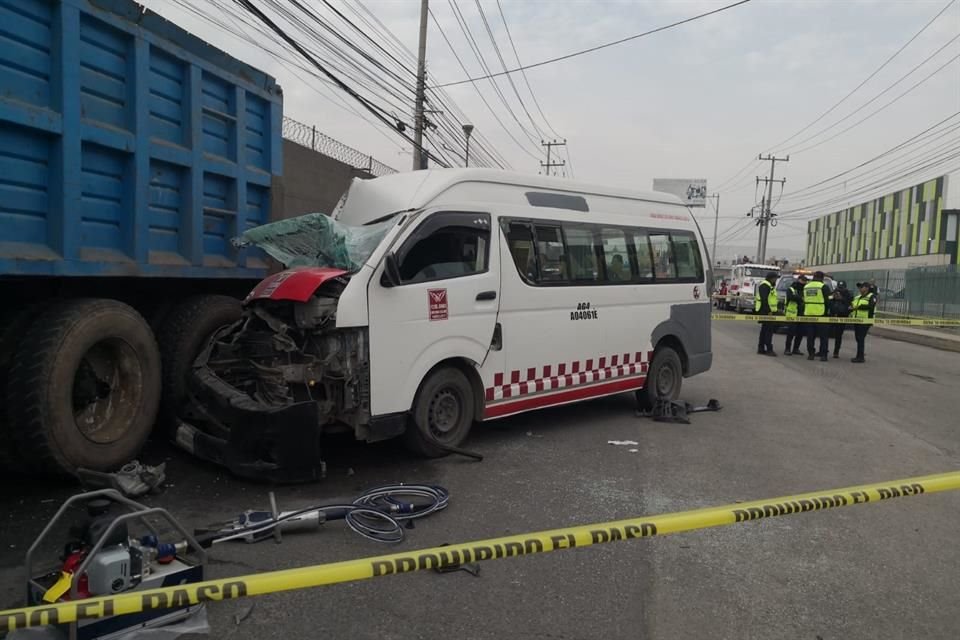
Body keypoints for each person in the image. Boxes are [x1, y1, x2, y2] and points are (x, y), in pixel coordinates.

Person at [803, 271, 832, 361]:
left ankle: (811, 354)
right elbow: (828, 301)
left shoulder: (806, 287)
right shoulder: (823, 287)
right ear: (822, 278)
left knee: (810, 336)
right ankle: (823, 355)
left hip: (809, 313)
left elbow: (804, 299)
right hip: (821, 314)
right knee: (823, 336)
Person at [850, 282, 877, 363]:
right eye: (859, 287)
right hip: (856, 320)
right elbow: (852, 305)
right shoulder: (858, 297)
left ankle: (860, 357)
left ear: (867, 288)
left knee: (861, 338)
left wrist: (859, 307)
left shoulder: (872, 296)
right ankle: (860, 355)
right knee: (858, 338)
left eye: (861, 287)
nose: (860, 288)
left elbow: (871, 306)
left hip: (865, 321)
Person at [754, 271, 779, 356]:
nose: (776, 280)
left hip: (767, 311)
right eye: (775, 278)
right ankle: (769, 349)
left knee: (764, 330)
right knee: (768, 331)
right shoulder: (765, 285)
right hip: (766, 311)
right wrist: (769, 311)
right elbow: (764, 299)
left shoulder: (769, 285)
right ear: (771, 278)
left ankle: (761, 348)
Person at [828, 280, 853, 358]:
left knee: (838, 336)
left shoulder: (848, 294)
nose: (840, 289)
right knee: (825, 334)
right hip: (832, 316)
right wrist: (833, 297)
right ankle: (823, 350)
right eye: (839, 287)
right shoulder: (834, 292)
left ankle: (836, 352)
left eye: (842, 288)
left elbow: (850, 305)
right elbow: (828, 300)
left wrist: (842, 299)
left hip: (842, 317)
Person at [783, 275, 806, 355]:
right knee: (791, 333)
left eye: (805, 280)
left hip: (802, 314)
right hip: (793, 314)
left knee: (800, 333)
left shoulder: (805, 289)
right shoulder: (791, 288)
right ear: (798, 280)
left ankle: (796, 349)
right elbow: (790, 297)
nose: (803, 282)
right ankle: (787, 349)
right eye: (802, 280)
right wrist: (800, 298)